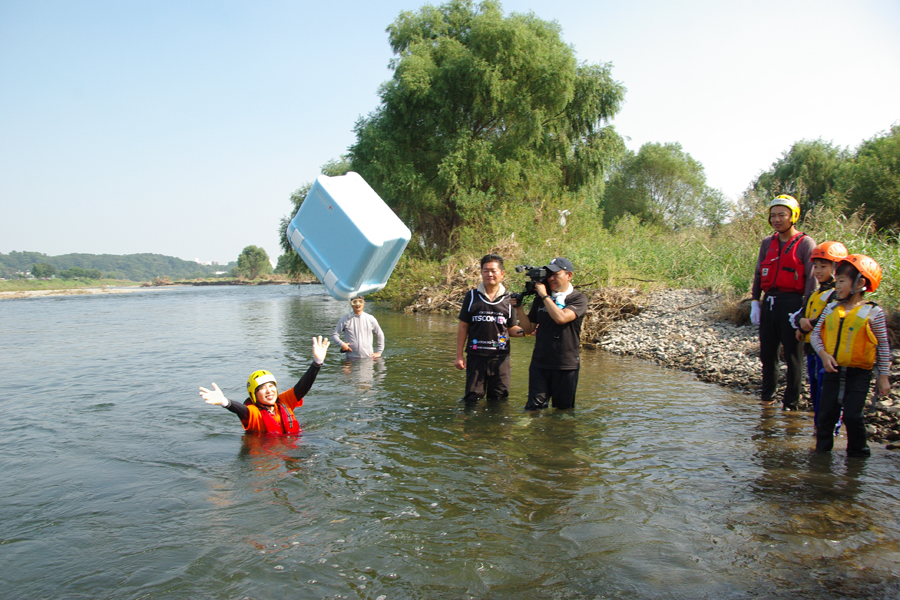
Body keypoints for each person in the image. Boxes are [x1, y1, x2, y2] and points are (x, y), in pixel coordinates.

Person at [811, 255, 891, 457]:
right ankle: (821, 455)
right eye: (836, 281)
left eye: (842, 281)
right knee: (826, 415)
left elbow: (883, 346)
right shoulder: (831, 308)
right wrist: (823, 354)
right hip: (832, 370)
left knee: (853, 415)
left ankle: (858, 455)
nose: (836, 286)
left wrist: (883, 376)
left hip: (859, 374)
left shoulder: (873, 313)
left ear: (860, 283)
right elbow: (815, 335)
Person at [749, 195, 816, 410]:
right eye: (773, 215)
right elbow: (759, 272)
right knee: (768, 354)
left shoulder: (805, 243)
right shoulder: (768, 243)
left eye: (782, 215)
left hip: (793, 303)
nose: (777, 219)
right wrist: (755, 301)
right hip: (770, 302)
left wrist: (804, 310)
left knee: (793, 356)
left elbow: (812, 279)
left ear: (793, 217)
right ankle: (767, 398)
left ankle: (791, 403)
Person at [199, 336, 330, 435]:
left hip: (292, 444)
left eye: (271, 386)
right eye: (262, 388)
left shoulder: (284, 402)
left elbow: (302, 386)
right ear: (253, 395)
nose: (269, 391)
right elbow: (241, 410)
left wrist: (316, 363)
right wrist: (224, 401)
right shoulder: (254, 413)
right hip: (266, 455)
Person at [515, 257, 588, 410]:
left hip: (566, 364)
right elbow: (528, 329)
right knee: (534, 409)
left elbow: (561, 318)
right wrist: (519, 308)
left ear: (569, 275)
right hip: (540, 363)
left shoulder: (578, 298)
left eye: (556, 274)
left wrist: (544, 296)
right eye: (549, 275)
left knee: (563, 411)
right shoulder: (540, 300)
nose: (551, 279)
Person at [790, 241, 848, 431]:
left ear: (837, 267)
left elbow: (827, 318)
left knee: (828, 390)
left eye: (824, 266)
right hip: (812, 350)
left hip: (827, 351)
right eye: (816, 266)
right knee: (815, 389)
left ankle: (832, 426)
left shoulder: (836, 295)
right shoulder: (815, 293)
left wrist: (808, 324)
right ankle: (819, 425)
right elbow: (801, 313)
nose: (818, 270)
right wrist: (800, 322)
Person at [455, 253, 524, 403]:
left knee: (499, 400)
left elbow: (511, 328)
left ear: (502, 273)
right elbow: (463, 326)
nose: (489, 274)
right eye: (486, 271)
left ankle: (494, 427)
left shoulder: (509, 299)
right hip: (476, 356)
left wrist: (526, 332)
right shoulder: (472, 296)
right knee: (472, 399)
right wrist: (459, 355)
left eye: (493, 271)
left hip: (500, 358)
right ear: (481, 272)